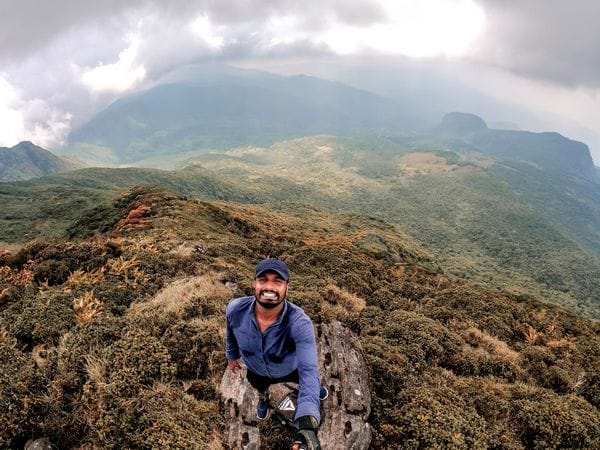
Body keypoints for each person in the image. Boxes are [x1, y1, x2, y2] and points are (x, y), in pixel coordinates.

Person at [225, 258, 327, 450]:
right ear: (254, 284)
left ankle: (317, 393)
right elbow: (230, 334)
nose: (269, 287)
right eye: (263, 280)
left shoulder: (299, 322)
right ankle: (264, 400)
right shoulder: (235, 310)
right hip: (256, 370)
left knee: (310, 383)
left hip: (291, 369)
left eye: (277, 281)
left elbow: (308, 370)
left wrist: (306, 424)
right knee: (261, 388)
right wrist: (231, 356)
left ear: (287, 288)